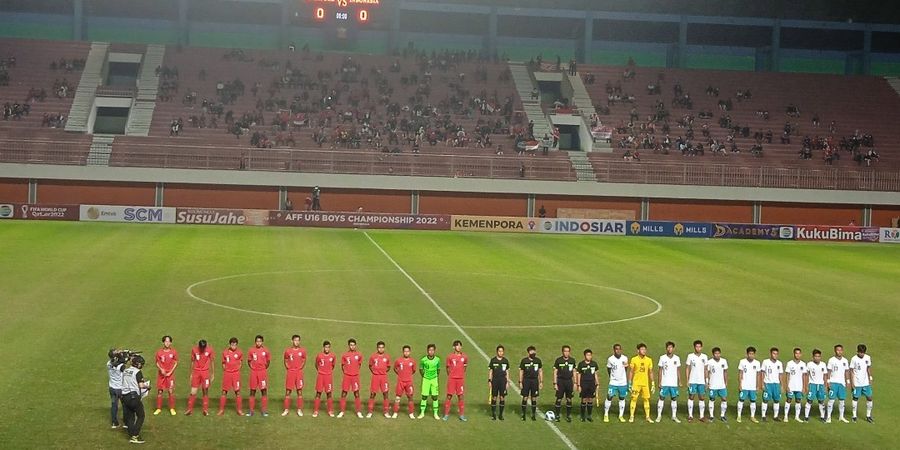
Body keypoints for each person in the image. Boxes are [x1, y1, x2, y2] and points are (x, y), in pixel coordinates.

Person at [121, 355, 150, 444]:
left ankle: (131, 433)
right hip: (133, 397)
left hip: (124, 397)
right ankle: (135, 436)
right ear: (138, 364)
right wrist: (147, 386)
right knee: (141, 415)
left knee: (130, 416)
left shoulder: (126, 370)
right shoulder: (137, 372)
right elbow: (141, 385)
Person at [186, 339, 214, 416]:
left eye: (203, 348)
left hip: (205, 373)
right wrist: (191, 373)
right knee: (193, 391)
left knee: (205, 390)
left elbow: (212, 361)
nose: (202, 349)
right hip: (196, 372)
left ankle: (205, 410)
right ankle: (189, 409)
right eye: (201, 348)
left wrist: (212, 373)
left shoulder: (210, 350)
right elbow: (192, 361)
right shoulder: (194, 350)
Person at [628, 343, 655, 423]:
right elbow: (631, 372)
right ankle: (631, 416)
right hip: (636, 383)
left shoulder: (649, 360)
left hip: (645, 383)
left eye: (645, 349)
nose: (644, 351)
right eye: (642, 349)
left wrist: (653, 383)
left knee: (646, 399)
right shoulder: (634, 359)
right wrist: (629, 382)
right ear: (638, 350)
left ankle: (647, 417)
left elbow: (650, 372)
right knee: (634, 398)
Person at [656, 341, 681, 423]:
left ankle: (674, 416)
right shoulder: (662, 358)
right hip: (665, 382)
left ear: (673, 349)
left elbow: (678, 370)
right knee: (661, 397)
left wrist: (679, 381)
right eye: (668, 347)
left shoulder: (676, 358)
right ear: (666, 348)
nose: (669, 349)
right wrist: (659, 382)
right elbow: (660, 370)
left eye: (671, 347)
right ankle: (659, 416)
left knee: (674, 398)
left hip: (673, 383)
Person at [246, 335, 271, 417]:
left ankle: (264, 410)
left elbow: (268, 361)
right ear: (255, 342)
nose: (258, 343)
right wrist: (253, 368)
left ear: (262, 342)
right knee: (252, 391)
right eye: (257, 341)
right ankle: (251, 410)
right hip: (254, 372)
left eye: (260, 341)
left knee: (263, 390)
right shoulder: (251, 350)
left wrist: (263, 368)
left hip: (262, 373)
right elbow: (249, 361)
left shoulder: (266, 351)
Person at [282, 334, 307, 417]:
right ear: (292, 341)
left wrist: (300, 368)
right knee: (288, 391)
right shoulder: (288, 351)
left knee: (299, 391)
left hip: (299, 373)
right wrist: (289, 368)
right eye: (295, 340)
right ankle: (286, 409)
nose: (297, 342)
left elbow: (304, 360)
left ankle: (299, 410)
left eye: (298, 340)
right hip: (290, 373)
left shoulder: (302, 351)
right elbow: (285, 360)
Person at [443, 340, 468, 421]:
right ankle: (446, 414)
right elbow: (447, 368)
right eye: (457, 345)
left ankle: (461, 415)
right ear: (454, 347)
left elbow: (465, 367)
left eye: (460, 345)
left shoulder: (464, 357)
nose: (459, 347)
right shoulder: (450, 357)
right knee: (449, 396)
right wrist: (451, 376)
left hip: (460, 379)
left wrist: (460, 374)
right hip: (452, 379)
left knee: (460, 396)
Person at [153, 336, 178, 416]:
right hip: (161, 375)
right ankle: (158, 408)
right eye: (165, 341)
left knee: (170, 391)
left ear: (171, 343)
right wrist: (161, 369)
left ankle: (172, 408)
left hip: (170, 375)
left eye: (168, 341)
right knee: (160, 391)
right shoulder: (159, 352)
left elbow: (176, 362)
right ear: (163, 342)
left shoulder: (173, 352)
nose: (167, 343)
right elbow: (157, 362)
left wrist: (170, 372)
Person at [604, 343, 629, 423]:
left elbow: (626, 369)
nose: (618, 351)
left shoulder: (625, 358)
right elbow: (609, 369)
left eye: (619, 349)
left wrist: (623, 378)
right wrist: (612, 377)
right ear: (614, 350)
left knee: (622, 398)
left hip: (622, 383)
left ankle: (621, 416)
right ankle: (606, 414)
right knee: (609, 397)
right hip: (613, 382)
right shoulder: (610, 359)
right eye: (616, 349)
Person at [219, 337, 244, 416]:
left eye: (235, 345)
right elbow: (223, 363)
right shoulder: (225, 352)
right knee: (224, 391)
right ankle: (221, 410)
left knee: (238, 392)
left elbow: (240, 362)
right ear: (229, 344)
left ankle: (239, 410)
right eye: (232, 344)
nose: (233, 346)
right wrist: (226, 370)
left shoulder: (239, 352)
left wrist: (236, 370)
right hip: (227, 374)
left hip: (235, 375)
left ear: (237, 345)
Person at [339, 338, 363, 418]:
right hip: (347, 376)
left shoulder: (359, 355)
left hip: (355, 376)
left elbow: (359, 364)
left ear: (355, 346)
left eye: (353, 345)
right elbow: (342, 365)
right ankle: (342, 411)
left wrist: (354, 372)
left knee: (356, 393)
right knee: (344, 393)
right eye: (351, 345)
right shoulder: (345, 355)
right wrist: (347, 372)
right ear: (349, 346)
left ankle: (358, 411)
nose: (352, 346)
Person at [685, 340, 708, 422]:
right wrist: (687, 380)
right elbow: (687, 368)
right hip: (692, 380)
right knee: (691, 396)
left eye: (699, 347)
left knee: (701, 397)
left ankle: (701, 416)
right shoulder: (690, 356)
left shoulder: (704, 357)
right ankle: (690, 415)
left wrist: (706, 381)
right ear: (694, 347)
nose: (698, 348)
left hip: (701, 381)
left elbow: (706, 369)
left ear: (701, 347)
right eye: (696, 346)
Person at [392, 345, 418, 419]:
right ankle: (395, 412)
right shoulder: (398, 361)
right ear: (403, 352)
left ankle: (411, 413)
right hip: (400, 382)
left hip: (409, 382)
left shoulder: (412, 361)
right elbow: (395, 368)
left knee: (410, 397)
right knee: (397, 397)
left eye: (407, 351)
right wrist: (400, 374)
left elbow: (413, 370)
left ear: (410, 352)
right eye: (405, 351)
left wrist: (407, 376)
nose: (406, 353)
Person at [367, 341, 392, 418]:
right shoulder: (373, 356)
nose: (381, 349)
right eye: (379, 347)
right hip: (375, 377)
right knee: (372, 394)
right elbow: (370, 365)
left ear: (384, 348)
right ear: (377, 348)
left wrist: (383, 372)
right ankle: (370, 412)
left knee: (385, 394)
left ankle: (386, 412)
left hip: (384, 377)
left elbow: (389, 367)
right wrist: (375, 372)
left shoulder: (387, 357)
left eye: (382, 347)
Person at [826, 344, 851, 423]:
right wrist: (828, 381)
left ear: (842, 351)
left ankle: (841, 416)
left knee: (842, 400)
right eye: (838, 350)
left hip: (842, 383)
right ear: (835, 351)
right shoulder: (831, 360)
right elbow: (829, 371)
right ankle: (828, 417)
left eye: (840, 350)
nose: (839, 352)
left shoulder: (845, 360)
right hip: (833, 382)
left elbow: (847, 371)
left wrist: (848, 381)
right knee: (831, 400)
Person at [736, 346, 761, 423]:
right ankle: (739, 416)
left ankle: (752, 416)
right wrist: (740, 384)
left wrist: (757, 385)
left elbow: (758, 375)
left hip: (752, 386)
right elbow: (740, 373)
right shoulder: (742, 362)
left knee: (753, 401)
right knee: (741, 400)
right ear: (747, 354)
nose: (751, 355)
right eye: (750, 354)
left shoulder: (757, 363)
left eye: (752, 354)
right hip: (744, 385)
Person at [553, 345, 577, 422]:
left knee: (569, 399)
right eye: (565, 351)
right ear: (562, 352)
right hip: (560, 381)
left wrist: (575, 383)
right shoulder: (558, 360)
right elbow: (555, 372)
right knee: (559, 398)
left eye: (568, 351)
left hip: (569, 381)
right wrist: (555, 383)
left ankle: (568, 415)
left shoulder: (572, 360)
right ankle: (557, 415)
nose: (566, 353)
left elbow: (574, 371)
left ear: (569, 352)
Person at [850, 344, 873, 423]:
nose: (861, 354)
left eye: (863, 352)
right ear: (857, 351)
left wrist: (870, 377)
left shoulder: (867, 357)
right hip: (857, 383)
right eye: (860, 352)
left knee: (869, 397)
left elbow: (868, 368)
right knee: (855, 398)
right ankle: (854, 416)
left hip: (865, 382)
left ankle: (868, 416)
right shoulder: (854, 359)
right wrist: (852, 383)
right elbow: (851, 371)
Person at [518, 346, 543, 421]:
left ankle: (533, 415)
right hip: (526, 381)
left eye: (534, 351)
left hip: (535, 381)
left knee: (534, 398)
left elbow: (540, 371)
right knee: (525, 397)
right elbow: (521, 371)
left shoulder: (538, 361)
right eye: (531, 352)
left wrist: (541, 382)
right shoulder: (524, 361)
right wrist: (520, 381)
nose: (533, 353)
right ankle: (523, 414)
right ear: (528, 352)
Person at [312, 340, 336, 417]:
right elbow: (316, 364)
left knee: (329, 393)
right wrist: (321, 371)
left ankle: (330, 411)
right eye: (326, 347)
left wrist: (328, 371)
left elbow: (333, 366)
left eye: (328, 347)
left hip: (328, 377)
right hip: (320, 376)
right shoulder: (319, 356)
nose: (327, 349)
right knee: (318, 393)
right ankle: (315, 411)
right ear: (323, 347)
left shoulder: (333, 356)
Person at [760, 347, 784, 421]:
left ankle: (775, 416)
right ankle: (763, 416)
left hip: (776, 384)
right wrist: (762, 384)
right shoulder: (765, 362)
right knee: (765, 400)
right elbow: (762, 373)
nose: (775, 355)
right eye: (774, 353)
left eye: (776, 354)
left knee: (776, 400)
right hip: (768, 383)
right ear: (771, 354)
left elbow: (780, 375)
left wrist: (782, 385)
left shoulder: (779, 363)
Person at [418, 344, 441, 420]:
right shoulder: (423, 360)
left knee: (435, 397)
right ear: (427, 351)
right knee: (424, 396)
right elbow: (421, 369)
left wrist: (434, 376)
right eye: (429, 350)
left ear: (434, 351)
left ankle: (435, 413)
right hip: (426, 380)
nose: (431, 352)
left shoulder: (437, 360)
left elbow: (438, 370)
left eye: (432, 350)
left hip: (434, 380)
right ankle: (422, 413)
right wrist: (424, 376)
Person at [784, 347, 807, 422]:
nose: (797, 355)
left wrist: (804, 387)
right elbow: (787, 375)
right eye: (796, 353)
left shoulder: (803, 364)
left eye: (799, 353)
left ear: (801, 354)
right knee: (789, 400)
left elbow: (804, 376)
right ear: (794, 354)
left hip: (799, 386)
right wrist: (787, 385)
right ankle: (785, 416)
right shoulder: (790, 363)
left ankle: (797, 417)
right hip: (791, 385)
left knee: (798, 400)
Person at [575, 348, 599, 422]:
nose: (589, 356)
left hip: (591, 383)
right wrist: (578, 385)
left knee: (590, 399)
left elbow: (596, 374)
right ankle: (583, 416)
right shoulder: (581, 364)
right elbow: (579, 374)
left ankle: (589, 415)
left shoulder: (594, 364)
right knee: (584, 399)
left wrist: (597, 383)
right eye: (587, 355)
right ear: (584, 356)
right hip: (584, 383)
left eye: (590, 355)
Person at [705, 347, 728, 422]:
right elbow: (707, 372)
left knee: (724, 399)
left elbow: (725, 372)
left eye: (718, 353)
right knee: (712, 399)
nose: (717, 355)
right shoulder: (710, 362)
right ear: (713, 354)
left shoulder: (724, 361)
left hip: (721, 385)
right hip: (713, 384)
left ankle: (722, 415)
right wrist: (707, 382)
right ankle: (711, 416)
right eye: (715, 353)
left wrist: (726, 381)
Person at [805, 349, 828, 422]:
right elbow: (807, 375)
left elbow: (825, 375)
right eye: (816, 356)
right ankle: (806, 417)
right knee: (809, 400)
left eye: (819, 356)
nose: (817, 358)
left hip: (820, 385)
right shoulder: (809, 364)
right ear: (813, 357)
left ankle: (822, 417)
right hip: (812, 385)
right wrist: (806, 385)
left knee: (821, 401)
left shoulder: (823, 364)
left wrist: (825, 385)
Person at [488, 345, 511, 421]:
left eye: (502, 351)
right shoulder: (493, 360)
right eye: (499, 351)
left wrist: (507, 382)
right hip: (495, 380)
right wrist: (489, 381)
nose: (500, 352)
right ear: (497, 352)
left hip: (503, 381)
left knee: (502, 397)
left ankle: (500, 414)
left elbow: (507, 372)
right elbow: (491, 371)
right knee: (494, 397)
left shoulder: (505, 361)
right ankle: (493, 414)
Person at [107, 349, 125, 429]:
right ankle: (126, 422)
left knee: (114, 405)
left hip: (112, 388)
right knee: (125, 405)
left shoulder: (108, 363)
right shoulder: (120, 366)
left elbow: (117, 362)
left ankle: (114, 423)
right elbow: (123, 366)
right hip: (120, 389)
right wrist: (123, 357)